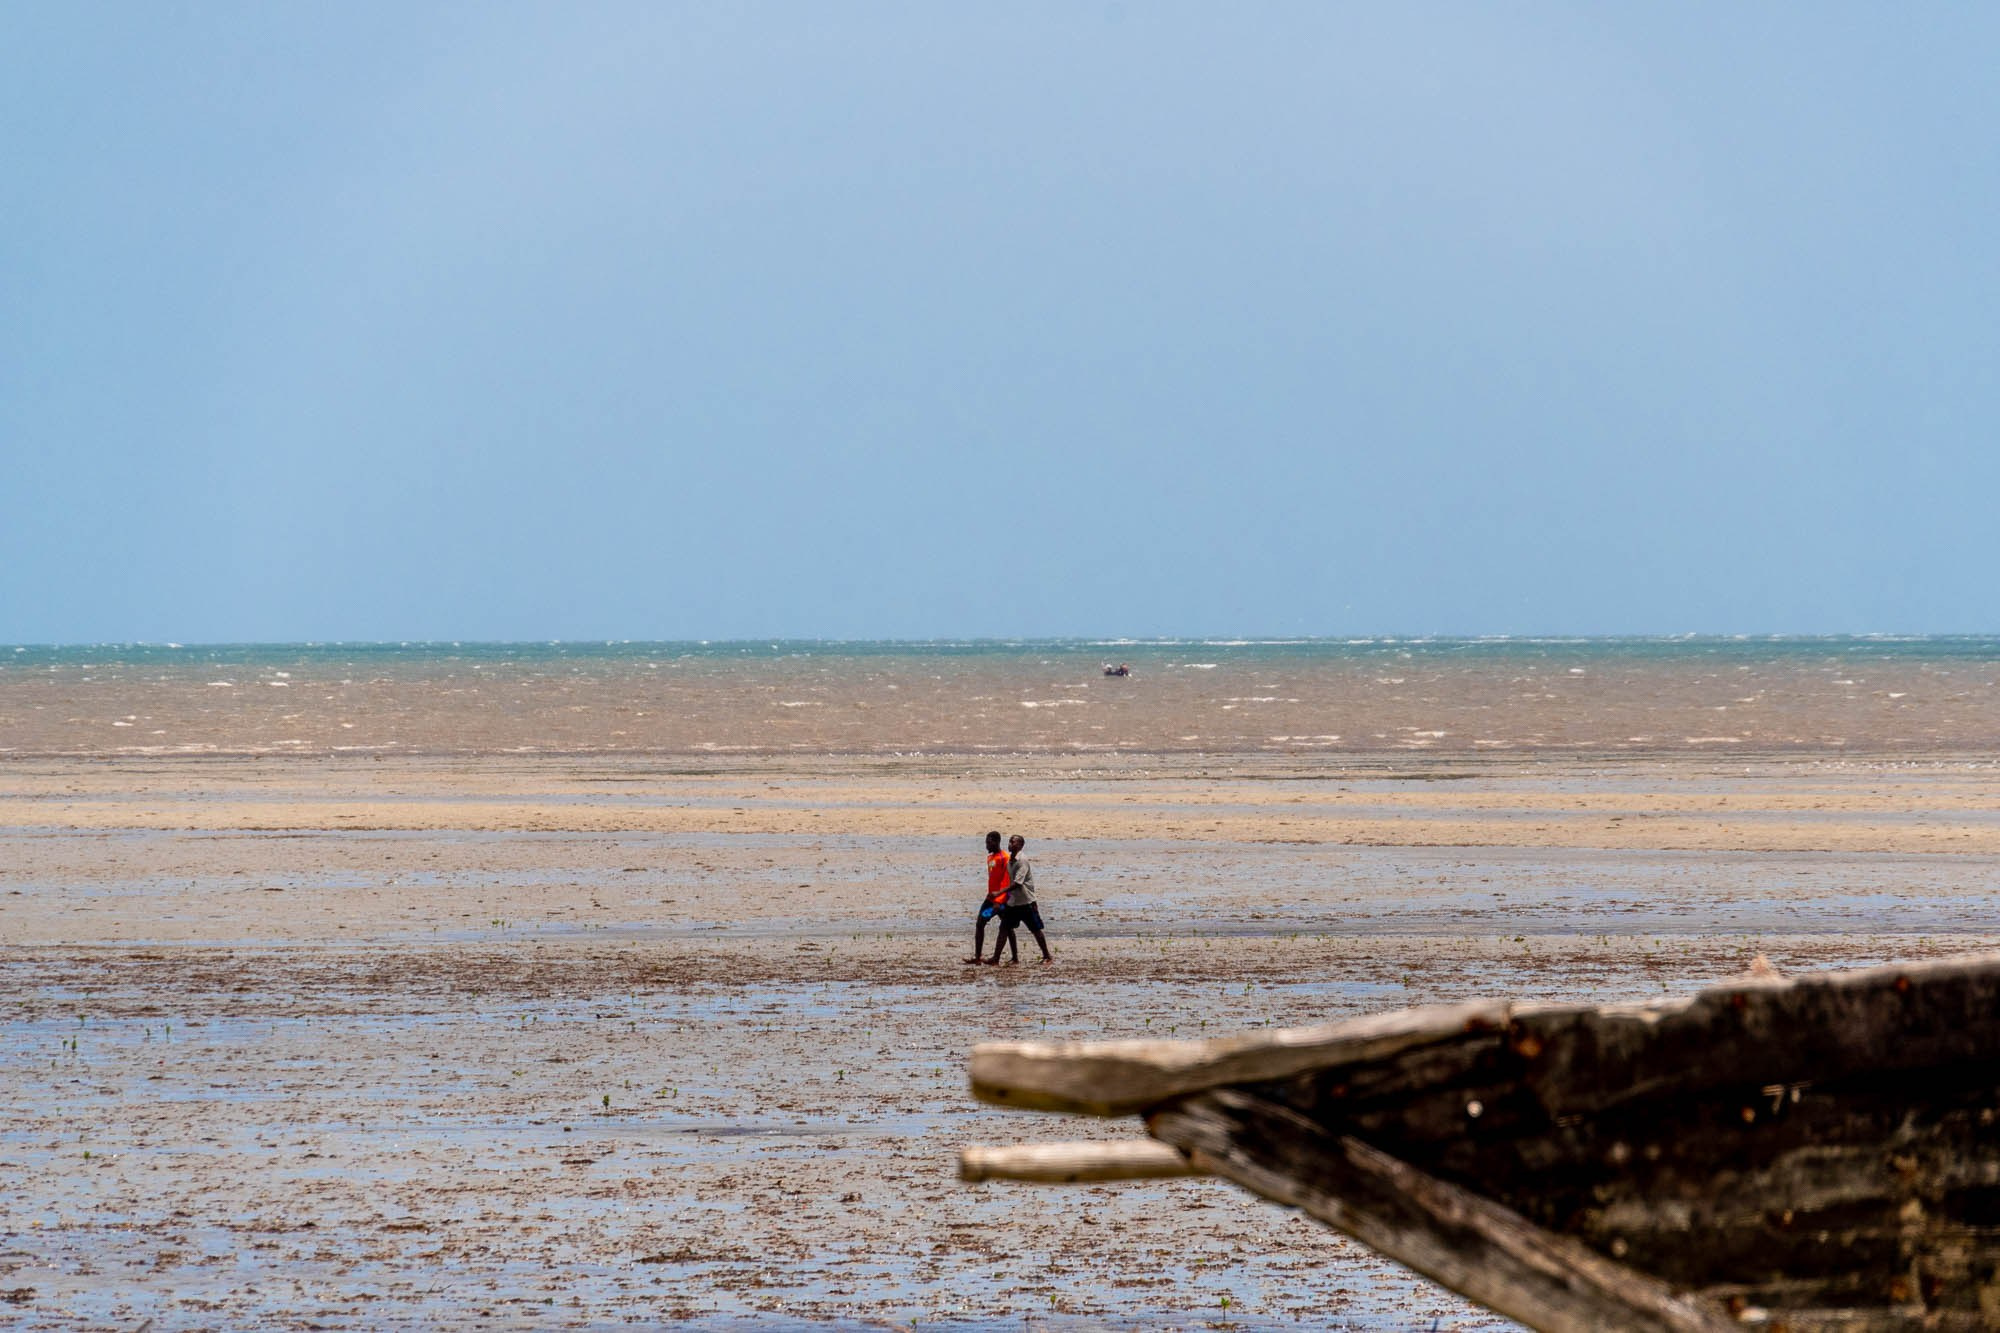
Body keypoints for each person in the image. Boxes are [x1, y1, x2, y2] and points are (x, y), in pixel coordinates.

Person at [990, 833, 1053, 965]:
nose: (1010, 844)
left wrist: (999, 893)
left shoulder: (1022, 860)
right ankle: (997, 958)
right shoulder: (1010, 861)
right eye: (1010, 842)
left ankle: (1047, 956)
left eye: (1014, 842)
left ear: (1021, 845)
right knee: (1004, 929)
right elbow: (1010, 881)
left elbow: (1017, 883)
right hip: (1013, 902)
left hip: (1026, 902)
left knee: (1035, 930)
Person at [964, 831, 1010, 965]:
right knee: (980, 923)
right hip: (990, 898)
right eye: (986, 843)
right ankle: (978, 957)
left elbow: (1005, 881)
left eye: (988, 843)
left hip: (1001, 900)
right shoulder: (990, 858)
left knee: (1007, 928)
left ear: (996, 842)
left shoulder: (1004, 858)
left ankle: (1014, 957)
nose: (986, 846)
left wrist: (999, 900)